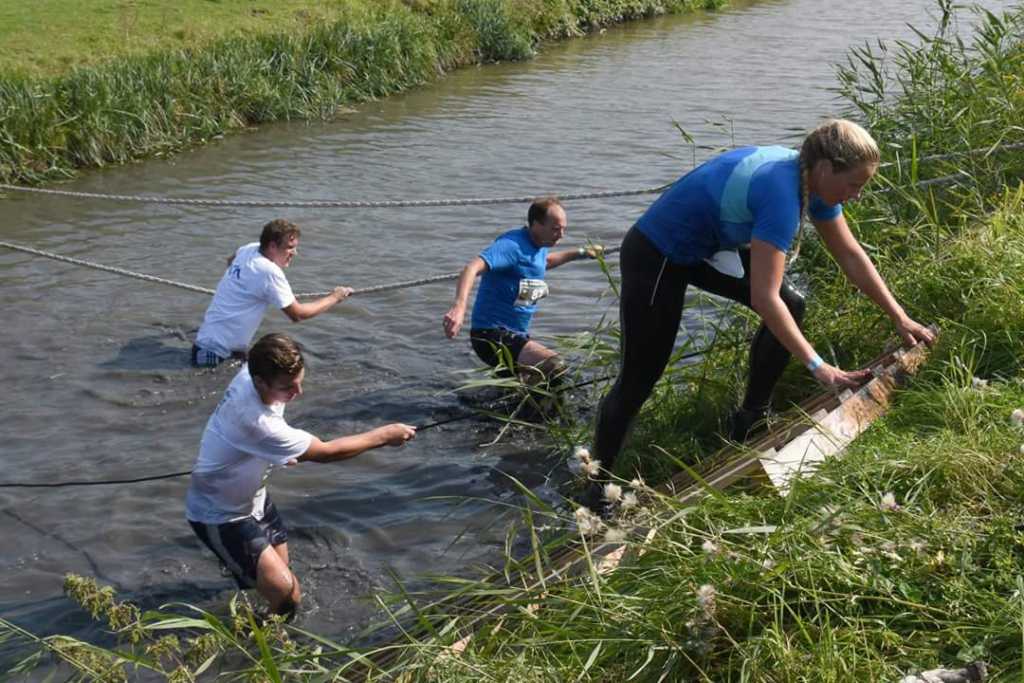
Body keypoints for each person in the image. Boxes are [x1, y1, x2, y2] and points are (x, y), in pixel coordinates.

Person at [592, 119, 934, 480]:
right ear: (824, 167)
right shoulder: (782, 196)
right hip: (658, 252)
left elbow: (850, 255)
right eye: (854, 184)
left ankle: (749, 419)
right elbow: (764, 298)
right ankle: (598, 484)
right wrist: (820, 368)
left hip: (708, 247)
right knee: (640, 377)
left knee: (793, 304)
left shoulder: (813, 186)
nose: (857, 195)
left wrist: (899, 316)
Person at [185, 333, 416, 617]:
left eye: (299, 381)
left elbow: (269, 349)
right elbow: (328, 452)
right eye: (287, 388)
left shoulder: (254, 369)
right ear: (259, 382)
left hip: (254, 497)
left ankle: (253, 601)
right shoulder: (257, 423)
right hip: (220, 515)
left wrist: (271, 452)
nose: (298, 392)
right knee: (287, 595)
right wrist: (385, 435)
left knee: (282, 573)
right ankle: (253, 646)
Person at [442, 197, 602, 383]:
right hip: (491, 335)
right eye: (555, 229)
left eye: (564, 228)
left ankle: (521, 407)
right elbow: (472, 268)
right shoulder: (512, 246)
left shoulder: (540, 244)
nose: (561, 235)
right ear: (535, 224)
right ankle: (537, 411)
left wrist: (581, 253)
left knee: (524, 387)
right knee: (554, 366)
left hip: (516, 335)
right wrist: (459, 307)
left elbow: (544, 262)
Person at [191, 219, 353, 367]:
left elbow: (230, 261)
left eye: (295, 247)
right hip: (214, 354)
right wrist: (335, 297)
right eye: (289, 247)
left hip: (213, 346)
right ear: (272, 246)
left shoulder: (249, 249)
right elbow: (298, 314)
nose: (295, 253)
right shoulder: (269, 272)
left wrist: (244, 287)